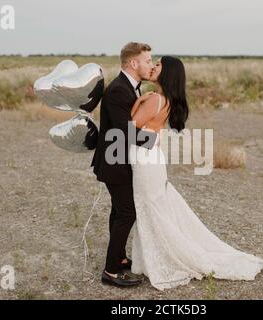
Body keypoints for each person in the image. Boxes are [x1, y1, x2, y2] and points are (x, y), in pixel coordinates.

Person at [128, 56, 263, 290]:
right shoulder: (166, 99)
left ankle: (165, 258)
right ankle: (150, 260)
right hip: (152, 159)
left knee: (149, 210)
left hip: (145, 160)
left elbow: (130, 130)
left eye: (158, 64)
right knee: (152, 209)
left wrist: (139, 101)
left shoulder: (154, 100)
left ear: (167, 73)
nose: (153, 66)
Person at [91, 42, 157, 287]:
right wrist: (155, 139)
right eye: (148, 60)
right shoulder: (119, 89)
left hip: (119, 160)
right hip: (114, 162)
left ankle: (118, 259)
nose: (151, 64)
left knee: (119, 211)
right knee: (127, 212)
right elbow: (123, 132)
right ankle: (110, 271)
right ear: (133, 63)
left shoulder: (130, 87)